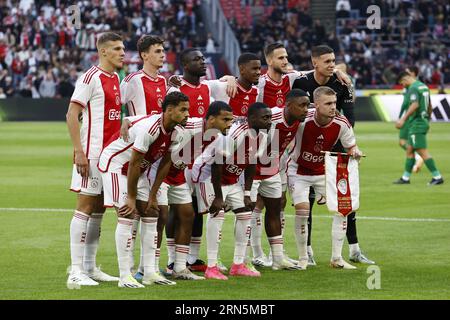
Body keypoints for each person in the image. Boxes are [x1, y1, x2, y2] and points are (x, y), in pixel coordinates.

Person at [98, 91, 192, 288]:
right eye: (183, 110)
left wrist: (152, 195)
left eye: (188, 110)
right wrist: (131, 198)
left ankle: (149, 272)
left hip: (138, 171)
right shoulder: (150, 129)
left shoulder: (179, 132)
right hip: (116, 166)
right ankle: (125, 276)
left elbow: (166, 162)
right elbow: (133, 162)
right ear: (169, 110)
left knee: (151, 212)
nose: (187, 114)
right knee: (127, 214)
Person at [292, 45, 374, 266]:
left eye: (333, 61)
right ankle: (306, 251)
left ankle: (354, 249)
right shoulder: (301, 82)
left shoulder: (342, 83)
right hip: (305, 152)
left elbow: (351, 118)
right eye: (327, 61)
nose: (332, 65)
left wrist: (337, 145)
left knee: (345, 200)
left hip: (335, 147)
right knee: (305, 203)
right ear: (314, 62)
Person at [163, 48, 237, 273]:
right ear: (185, 64)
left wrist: (231, 77)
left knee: (196, 209)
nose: (202, 62)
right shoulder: (175, 87)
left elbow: (231, 81)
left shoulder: (207, 86)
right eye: (196, 59)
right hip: (181, 155)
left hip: (203, 157)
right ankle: (171, 258)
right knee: (178, 208)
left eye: (203, 58)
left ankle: (192, 258)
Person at [146, 101, 234, 279]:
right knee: (161, 215)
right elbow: (157, 121)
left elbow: (216, 165)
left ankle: (179, 267)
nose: (229, 124)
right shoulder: (190, 126)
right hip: (158, 171)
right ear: (210, 119)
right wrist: (129, 120)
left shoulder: (218, 137)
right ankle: (150, 268)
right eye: (225, 119)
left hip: (178, 173)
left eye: (231, 120)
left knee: (188, 214)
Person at [66, 32, 124, 289]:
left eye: (123, 48)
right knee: (85, 207)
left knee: (99, 210)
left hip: (110, 156)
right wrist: (78, 151)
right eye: (117, 49)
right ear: (104, 52)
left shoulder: (115, 78)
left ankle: (90, 267)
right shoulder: (90, 77)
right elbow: (72, 113)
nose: (123, 53)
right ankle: (75, 270)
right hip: (91, 153)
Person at [287, 86, 364, 269]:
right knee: (303, 210)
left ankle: (336, 258)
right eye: (328, 103)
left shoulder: (341, 123)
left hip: (323, 171)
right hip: (298, 170)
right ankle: (304, 258)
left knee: (342, 208)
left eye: (334, 103)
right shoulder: (302, 119)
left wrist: (355, 152)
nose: (333, 107)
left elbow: (351, 146)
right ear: (316, 104)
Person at [119, 34, 170, 282]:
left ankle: (148, 269)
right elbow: (113, 104)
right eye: (158, 51)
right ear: (144, 55)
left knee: (157, 212)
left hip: (157, 157)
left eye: (163, 50)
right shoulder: (132, 80)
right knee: (135, 213)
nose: (163, 54)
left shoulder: (166, 83)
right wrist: (124, 120)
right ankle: (129, 269)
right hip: (138, 153)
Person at [250, 89, 310, 269]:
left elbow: (319, 108)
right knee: (251, 208)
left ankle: (277, 257)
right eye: (302, 106)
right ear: (288, 105)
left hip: (273, 168)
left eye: (307, 105)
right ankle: (254, 255)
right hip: (252, 168)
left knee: (277, 206)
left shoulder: (299, 117)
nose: (306, 109)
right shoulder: (272, 118)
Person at [394, 72, 444, 186]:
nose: (403, 85)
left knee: (422, 151)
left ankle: (437, 176)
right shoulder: (423, 86)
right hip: (423, 120)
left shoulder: (413, 88)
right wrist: (428, 119)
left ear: (405, 79)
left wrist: (403, 119)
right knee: (410, 150)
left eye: (402, 83)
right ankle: (405, 178)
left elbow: (415, 105)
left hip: (417, 123)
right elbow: (429, 105)